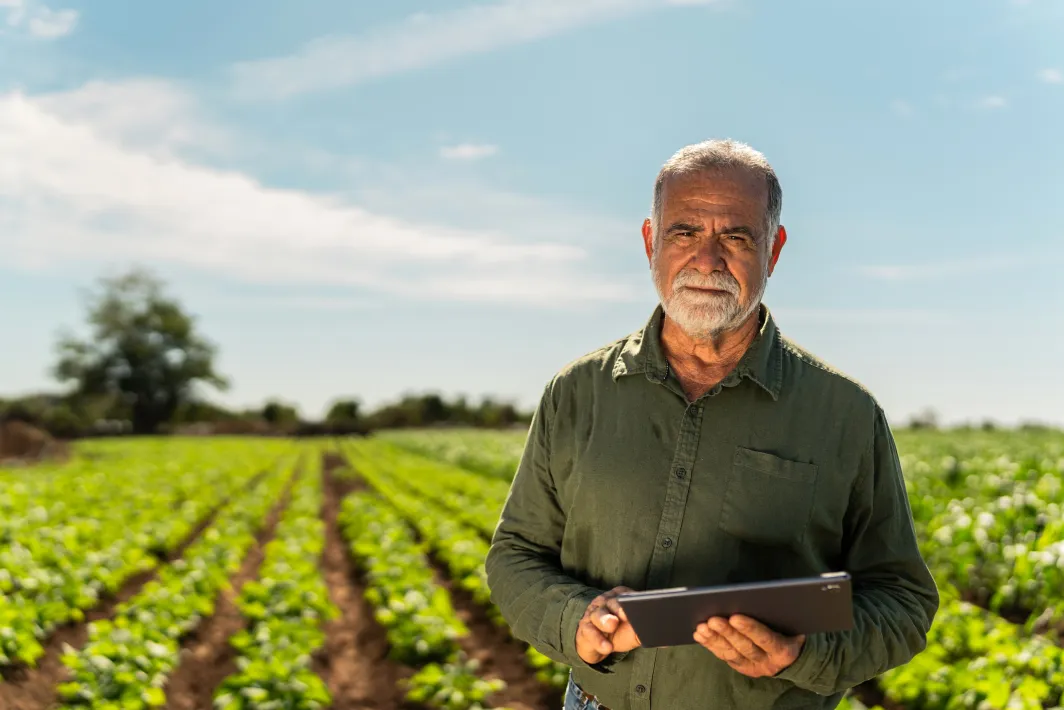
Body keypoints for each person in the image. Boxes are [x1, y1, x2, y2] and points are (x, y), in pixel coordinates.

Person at [484, 139, 939, 710]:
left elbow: (901, 600)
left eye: (736, 236)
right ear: (651, 242)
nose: (707, 259)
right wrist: (578, 619)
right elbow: (516, 555)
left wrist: (803, 653)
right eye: (684, 232)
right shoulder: (577, 394)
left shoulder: (845, 414)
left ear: (773, 250)